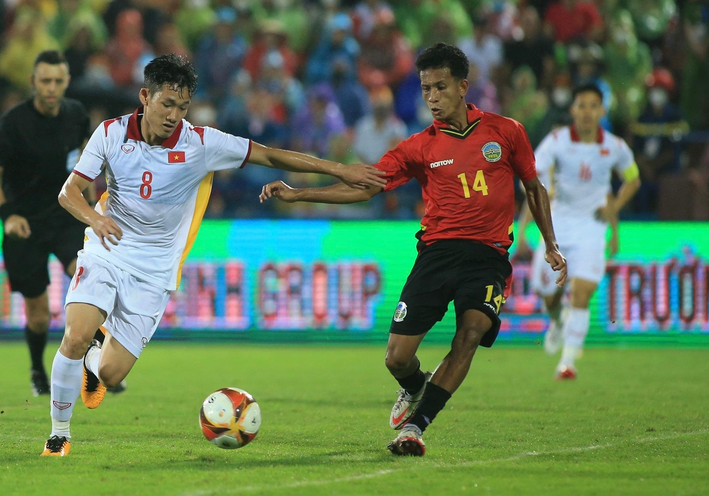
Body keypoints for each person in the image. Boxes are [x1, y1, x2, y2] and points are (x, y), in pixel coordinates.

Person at [41, 53, 386, 457]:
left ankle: (95, 358)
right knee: (75, 334)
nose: (174, 115)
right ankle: (59, 433)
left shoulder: (201, 144)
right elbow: (69, 192)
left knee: (111, 374)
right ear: (145, 97)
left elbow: (270, 155)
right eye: (167, 104)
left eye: (183, 107)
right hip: (107, 248)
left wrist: (341, 170)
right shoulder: (110, 133)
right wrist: (95, 220)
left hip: (155, 269)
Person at [259, 43, 567, 457]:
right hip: (437, 255)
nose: (432, 97)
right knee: (397, 359)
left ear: (463, 87)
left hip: (488, 257)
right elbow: (365, 187)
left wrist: (550, 244)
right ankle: (415, 384)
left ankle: (415, 428)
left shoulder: (506, 131)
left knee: (471, 332)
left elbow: (534, 187)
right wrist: (300, 194)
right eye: (425, 89)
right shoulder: (419, 147)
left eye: (441, 87)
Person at [0, 50, 93, 397]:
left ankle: (97, 364)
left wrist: (91, 203)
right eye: (45, 81)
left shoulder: (77, 115)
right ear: (33, 82)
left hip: (66, 218)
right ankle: (37, 369)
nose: (51, 87)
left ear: (67, 82)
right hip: (25, 225)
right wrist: (7, 214)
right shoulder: (13, 123)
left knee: (90, 282)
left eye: (58, 81)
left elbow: (86, 157)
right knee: (39, 314)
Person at [517, 83, 640, 380]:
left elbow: (632, 179)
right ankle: (557, 321)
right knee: (550, 295)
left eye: (593, 106)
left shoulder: (615, 146)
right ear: (573, 109)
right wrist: (542, 192)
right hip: (557, 227)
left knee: (582, 293)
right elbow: (529, 176)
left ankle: (568, 362)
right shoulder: (557, 141)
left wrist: (614, 211)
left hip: (592, 229)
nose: (587, 112)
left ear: (602, 110)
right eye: (581, 105)